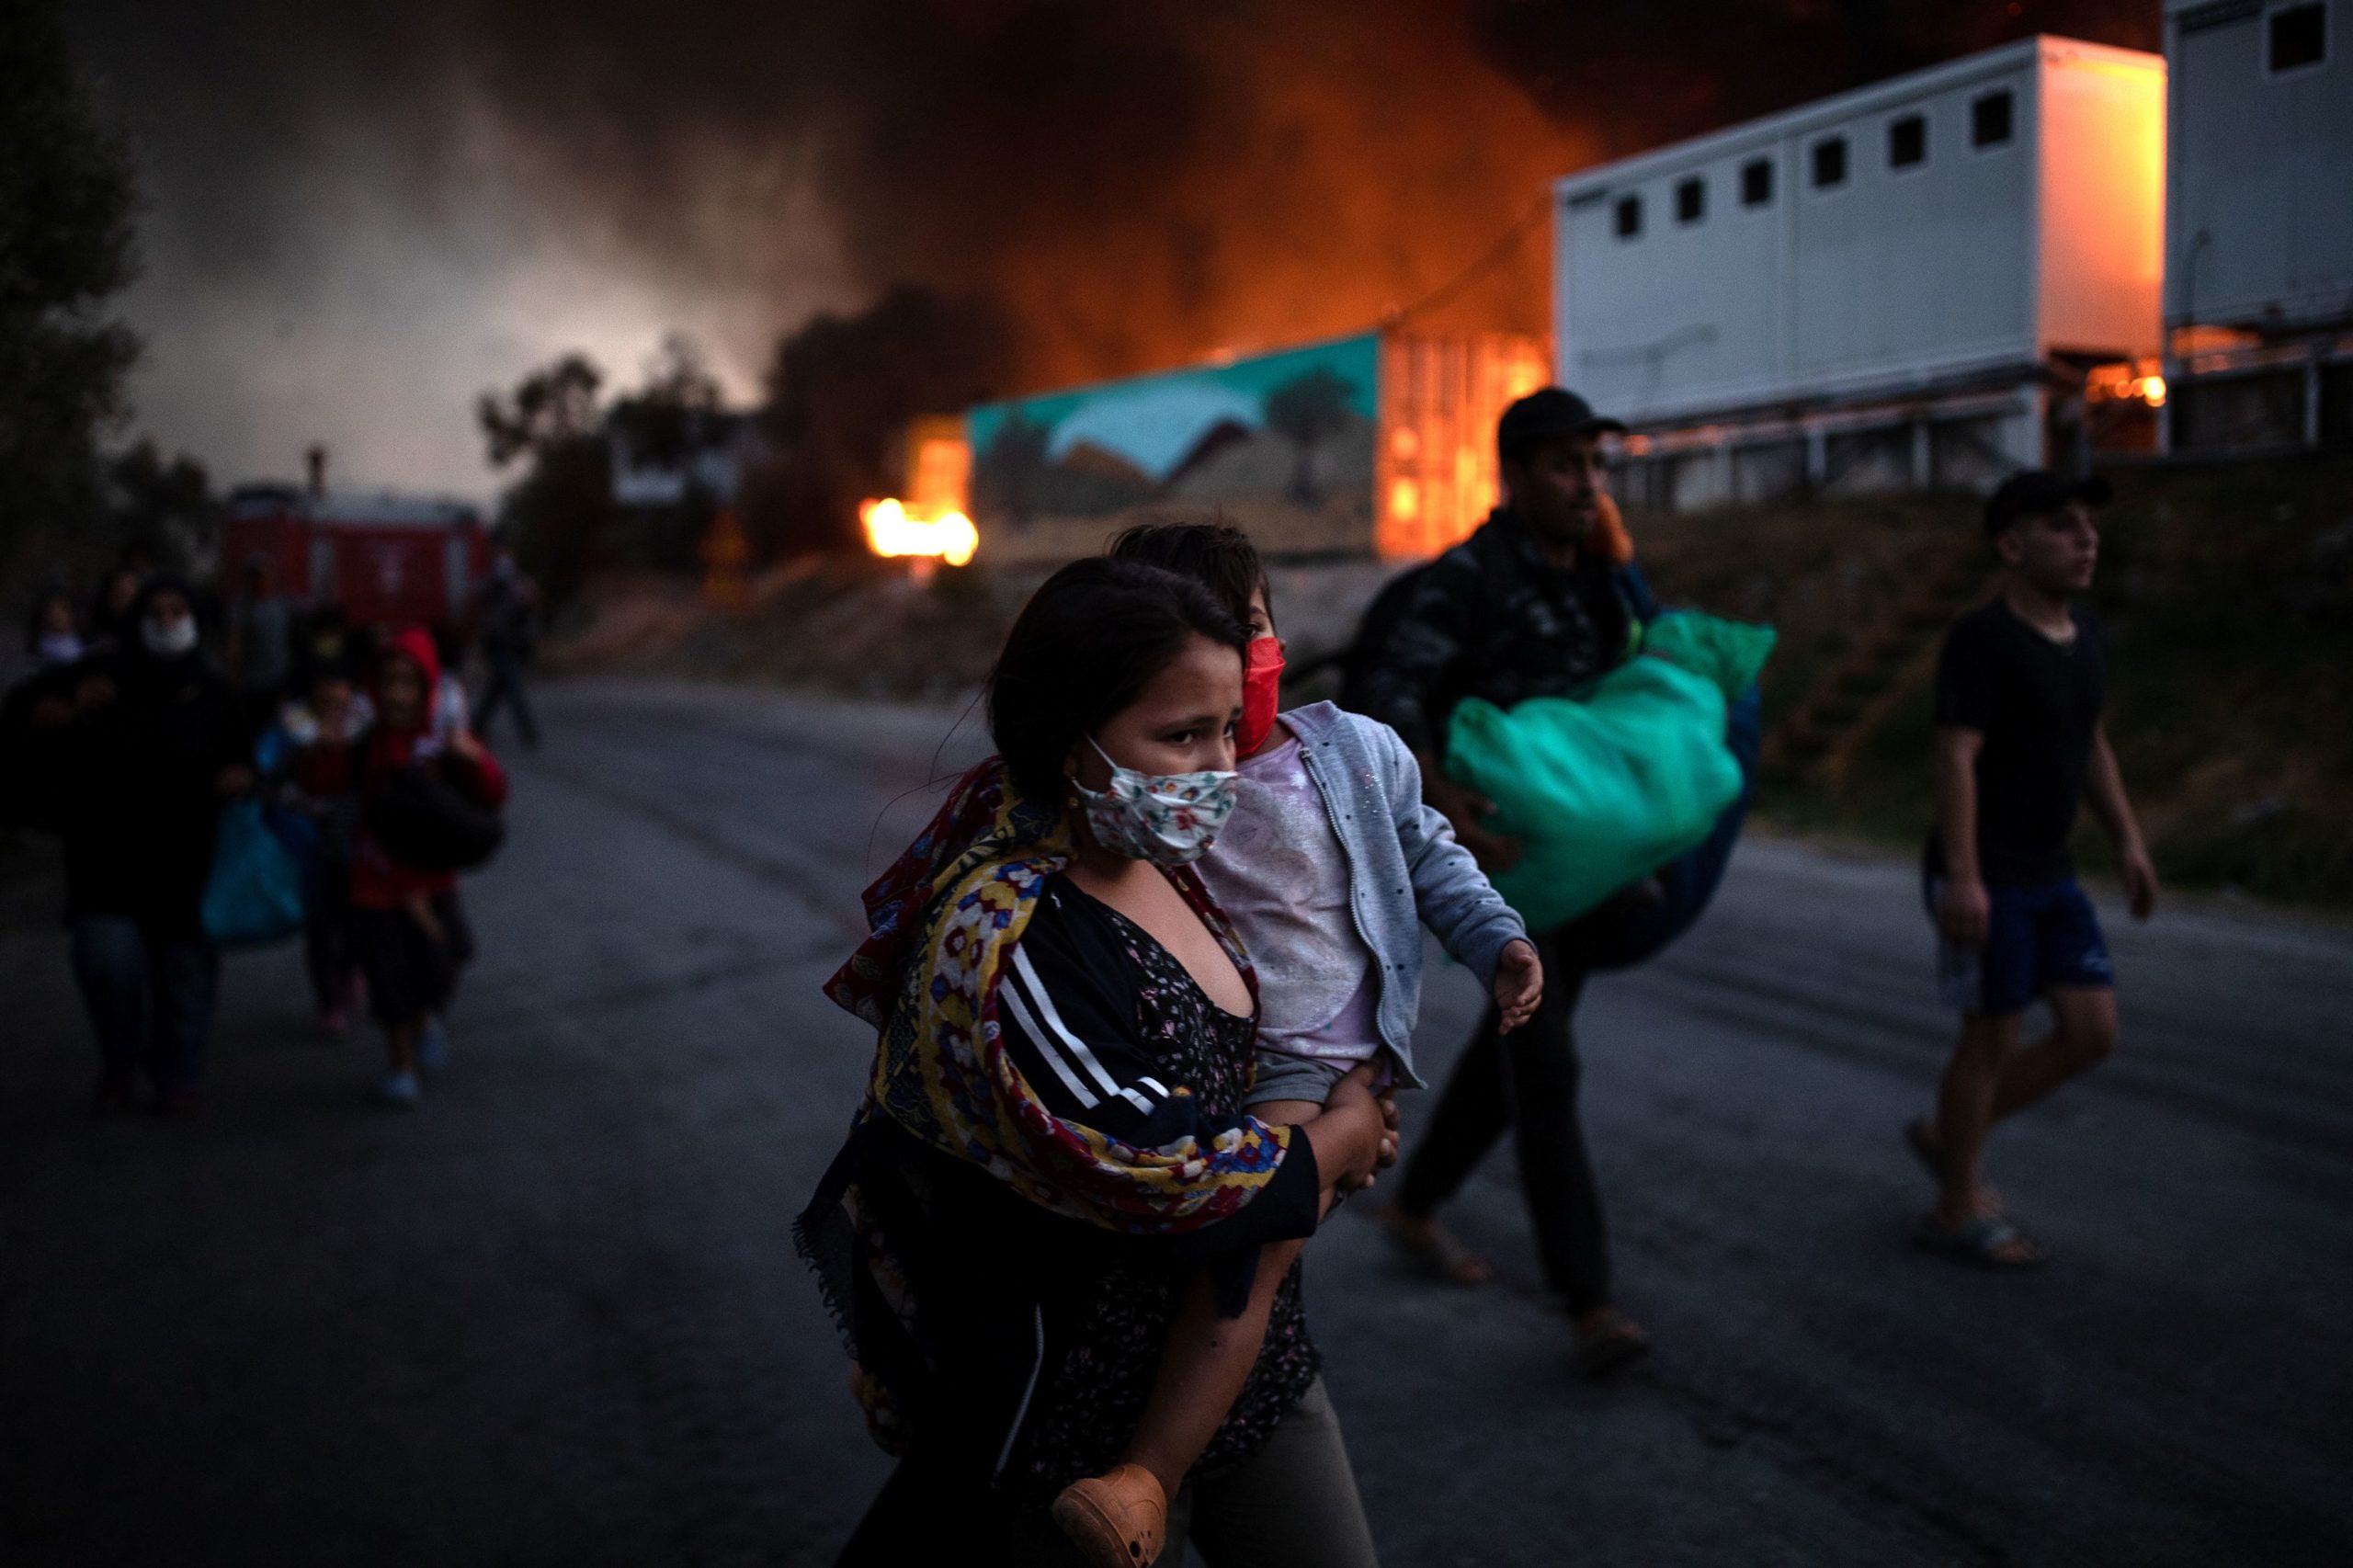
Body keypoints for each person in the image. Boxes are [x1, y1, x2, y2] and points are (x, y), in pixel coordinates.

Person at [801, 558, 1393, 1567]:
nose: (1217, 767)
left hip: (1256, 1363)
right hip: (1082, 1430)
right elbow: (1170, 1179)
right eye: (1178, 736)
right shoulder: (1007, 938)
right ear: (1063, 736)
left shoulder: (1177, 865)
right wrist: (1337, 1140)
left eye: (1222, 729)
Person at [1055, 522, 1540, 1560]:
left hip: (1349, 1053)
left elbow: (1429, 851)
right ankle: (1147, 1475)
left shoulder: (1355, 751)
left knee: (1267, 1241)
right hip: (1258, 1064)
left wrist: (1495, 937)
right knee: (1254, 1257)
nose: (1238, 653)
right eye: (1204, 636)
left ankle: (1150, 1469)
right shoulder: (1163, 785)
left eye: (1253, 625)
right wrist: (1340, 1137)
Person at [1349, 386, 1662, 1379]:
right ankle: (1588, 1299)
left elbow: (1624, 689)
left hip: (1584, 857)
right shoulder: (1465, 580)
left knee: (1522, 1036)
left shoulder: (1595, 578)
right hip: (1503, 860)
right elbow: (1386, 706)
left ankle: (1414, 1202)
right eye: (1566, 466)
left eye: (1596, 465)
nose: (1586, 483)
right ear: (1515, 473)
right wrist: (1445, 805)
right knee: (1548, 1062)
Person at [1911, 472, 2157, 1268]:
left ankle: (1952, 1137)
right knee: (1990, 1037)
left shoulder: (2087, 636)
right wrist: (1966, 876)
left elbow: (2089, 744)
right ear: (2012, 546)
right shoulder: (1983, 639)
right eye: (2061, 526)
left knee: (2092, 1033)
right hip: (1990, 872)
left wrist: (2127, 840)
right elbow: (1956, 756)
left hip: (2052, 871)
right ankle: (1956, 1207)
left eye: (2090, 524)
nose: (2086, 538)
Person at [14, 579, 253, 1113]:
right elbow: (22, 712)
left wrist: (241, 777)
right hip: (106, 860)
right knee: (107, 965)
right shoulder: (100, 675)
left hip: (189, 865)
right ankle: (119, 1060)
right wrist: (70, 709)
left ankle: (179, 1074)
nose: (167, 621)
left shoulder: (213, 691)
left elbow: (246, 756)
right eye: (157, 611)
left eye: (179, 610)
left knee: (186, 982)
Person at [348, 629, 506, 1108]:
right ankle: (400, 1063)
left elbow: (493, 795)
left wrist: (474, 759)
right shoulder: (365, 741)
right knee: (389, 977)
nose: (398, 695)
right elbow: (325, 781)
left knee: (442, 966)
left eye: (409, 683)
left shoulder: (445, 739)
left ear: (428, 687)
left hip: (433, 881)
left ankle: (425, 1020)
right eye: (389, 682)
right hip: (376, 883)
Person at [276, 664, 370, 1032]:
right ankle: (328, 999)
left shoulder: (363, 728)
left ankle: (350, 967)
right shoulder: (293, 731)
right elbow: (272, 781)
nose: (333, 693)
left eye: (340, 684)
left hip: (353, 843)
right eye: (324, 684)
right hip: (311, 846)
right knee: (319, 926)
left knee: (357, 918)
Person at [470, 550, 540, 749]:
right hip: (497, 643)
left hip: (512, 643)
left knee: (498, 687)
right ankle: (526, 729)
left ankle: (477, 725)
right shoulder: (491, 586)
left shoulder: (519, 584)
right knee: (512, 686)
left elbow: (530, 606)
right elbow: (479, 600)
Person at [225, 555, 296, 730]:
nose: (261, 580)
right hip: (253, 684)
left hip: (280, 683)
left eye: (265, 575)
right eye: (257, 576)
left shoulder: (283, 605)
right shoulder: (242, 607)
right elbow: (235, 645)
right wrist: (234, 680)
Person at [26, 591, 85, 668]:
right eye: (52, 611)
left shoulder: (83, 638)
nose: (58, 616)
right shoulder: (45, 647)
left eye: (62, 609)